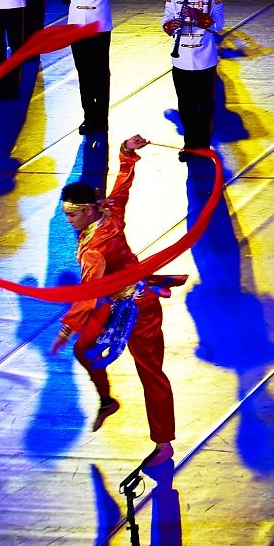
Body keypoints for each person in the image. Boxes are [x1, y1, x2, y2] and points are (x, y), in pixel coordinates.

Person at [51, 134, 186, 467]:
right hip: (115, 304)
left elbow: (89, 292)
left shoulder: (94, 251)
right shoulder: (109, 212)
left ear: (87, 210)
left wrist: (67, 327)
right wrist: (126, 153)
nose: (68, 221)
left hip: (140, 309)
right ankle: (107, 401)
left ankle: (163, 444)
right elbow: (122, 189)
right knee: (85, 350)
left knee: (150, 372)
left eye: (72, 215)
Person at [55, 0, 119, 136]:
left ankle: (102, 117)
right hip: (76, 22)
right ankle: (89, 116)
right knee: (83, 71)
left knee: (100, 71)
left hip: (98, 22)